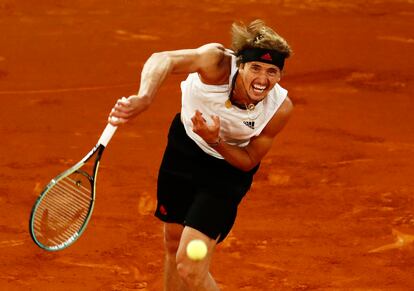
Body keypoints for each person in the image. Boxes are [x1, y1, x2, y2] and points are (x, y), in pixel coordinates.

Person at [108, 19, 293, 291]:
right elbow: (164, 59)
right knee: (173, 241)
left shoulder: (280, 109)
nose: (263, 80)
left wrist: (216, 141)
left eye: (272, 71)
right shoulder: (215, 63)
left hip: (226, 173)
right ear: (240, 65)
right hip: (184, 151)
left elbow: (249, 161)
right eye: (255, 68)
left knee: (190, 267)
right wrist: (145, 97)